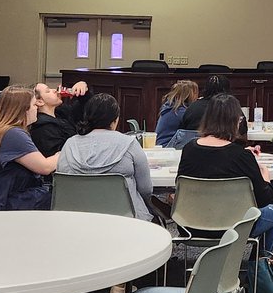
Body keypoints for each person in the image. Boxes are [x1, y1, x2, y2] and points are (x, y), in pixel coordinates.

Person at [177, 94, 273, 253]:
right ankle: (258, 269)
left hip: (189, 226)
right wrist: (264, 174)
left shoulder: (189, 150)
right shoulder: (241, 157)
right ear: (235, 121)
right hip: (234, 228)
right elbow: (263, 199)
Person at [57, 93, 153, 222]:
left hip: (76, 217)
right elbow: (146, 189)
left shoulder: (70, 144)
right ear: (115, 120)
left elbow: (62, 181)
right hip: (126, 219)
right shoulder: (129, 144)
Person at [0, 85, 58, 211]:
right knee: (60, 197)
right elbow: (45, 167)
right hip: (1, 200)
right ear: (23, 110)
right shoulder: (13, 134)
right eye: (34, 105)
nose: (37, 108)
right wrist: (63, 153)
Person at [28, 80, 90, 157]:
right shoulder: (42, 127)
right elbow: (58, 154)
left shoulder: (61, 113)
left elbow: (86, 113)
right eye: (48, 91)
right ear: (40, 102)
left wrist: (83, 93)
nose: (54, 90)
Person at [154, 79, 198, 148]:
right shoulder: (180, 112)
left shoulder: (169, 107)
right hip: (168, 147)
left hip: (160, 145)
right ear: (189, 95)